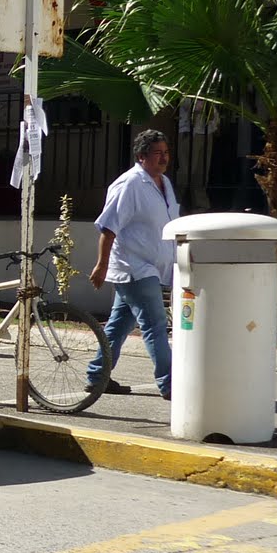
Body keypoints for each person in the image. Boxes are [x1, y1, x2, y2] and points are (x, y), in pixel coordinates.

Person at [86, 128, 181, 399]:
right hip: (134, 267)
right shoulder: (129, 184)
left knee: (118, 325)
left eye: (166, 153)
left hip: (153, 266)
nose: (163, 159)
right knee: (155, 324)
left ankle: (97, 376)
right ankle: (171, 383)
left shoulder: (165, 183)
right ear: (141, 156)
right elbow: (108, 227)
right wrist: (101, 265)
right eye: (157, 154)